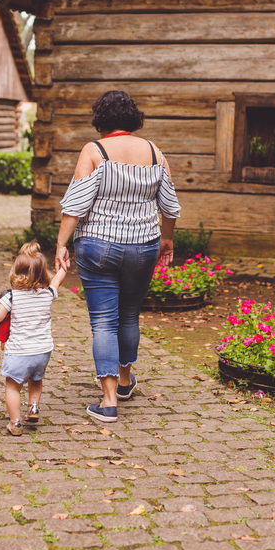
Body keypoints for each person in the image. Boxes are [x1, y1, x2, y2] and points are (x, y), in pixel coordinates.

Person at [55, 91, 181, 424]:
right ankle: (124, 381)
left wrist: (60, 244)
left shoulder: (93, 151)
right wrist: (166, 238)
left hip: (97, 245)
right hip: (143, 246)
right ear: (132, 118)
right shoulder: (155, 152)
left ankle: (108, 401)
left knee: (103, 321)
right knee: (129, 314)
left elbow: (75, 203)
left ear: (101, 120)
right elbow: (169, 205)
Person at [0, 241, 67, 436]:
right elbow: (58, 280)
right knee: (36, 379)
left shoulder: (12, 297)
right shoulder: (48, 293)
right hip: (42, 351)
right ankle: (33, 407)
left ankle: (15, 423)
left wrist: (2, 303)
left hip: (19, 351)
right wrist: (63, 265)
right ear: (44, 273)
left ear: (16, 272)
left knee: (13, 386)